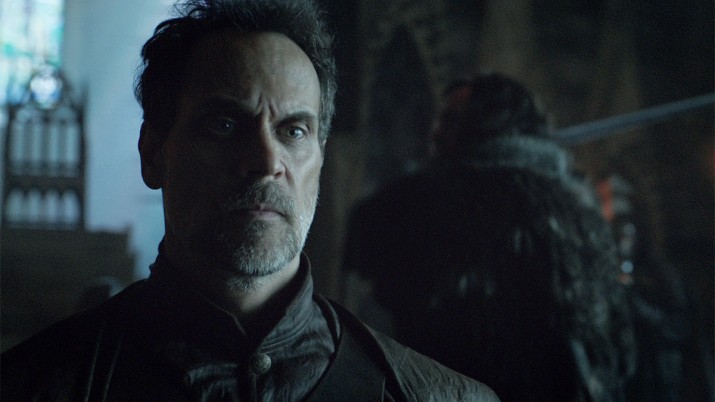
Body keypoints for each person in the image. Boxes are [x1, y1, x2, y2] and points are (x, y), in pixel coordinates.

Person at [0, 1, 500, 401]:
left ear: (320, 158)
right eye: (224, 125)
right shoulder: (35, 386)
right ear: (153, 153)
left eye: (293, 130)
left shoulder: (434, 395)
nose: (265, 161)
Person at [343, 73, 636, 401]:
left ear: (488, 123)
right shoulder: (579, 210)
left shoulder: (426, 201)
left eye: (451, 120)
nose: (435, 134)